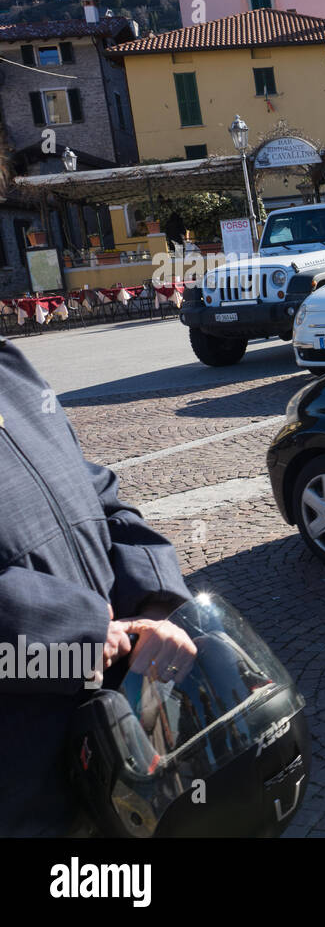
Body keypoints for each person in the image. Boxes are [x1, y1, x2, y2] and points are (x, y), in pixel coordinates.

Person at [1, 337, 196, 835]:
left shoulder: (10, 368)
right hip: (30, 785)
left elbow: (98, 495)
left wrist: (152, 603)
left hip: (123, 740)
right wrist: (77, 630)